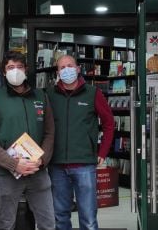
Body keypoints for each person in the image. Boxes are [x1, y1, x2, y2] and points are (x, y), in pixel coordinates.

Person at [0, 51, 56, 230]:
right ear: (4, 72)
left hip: (38, 171)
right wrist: (14, 164)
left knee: (48, 223)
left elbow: (50, 133)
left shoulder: (41, 97)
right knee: (6, 223)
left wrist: (41, 160)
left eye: (19, 67)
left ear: (26, 70)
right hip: (6, 174)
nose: (15, 71)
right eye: (10, 67)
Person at [47, 54, 114, 230]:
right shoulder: (49, 94)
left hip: (84, 164)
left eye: (70, 66)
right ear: (58, 72)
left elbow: (109, 123)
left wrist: (103, 151)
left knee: (89, 218)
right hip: (56, 164)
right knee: (60, 217)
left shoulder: (93, 93)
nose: (67, 70)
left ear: (78, 69)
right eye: (62, 67)